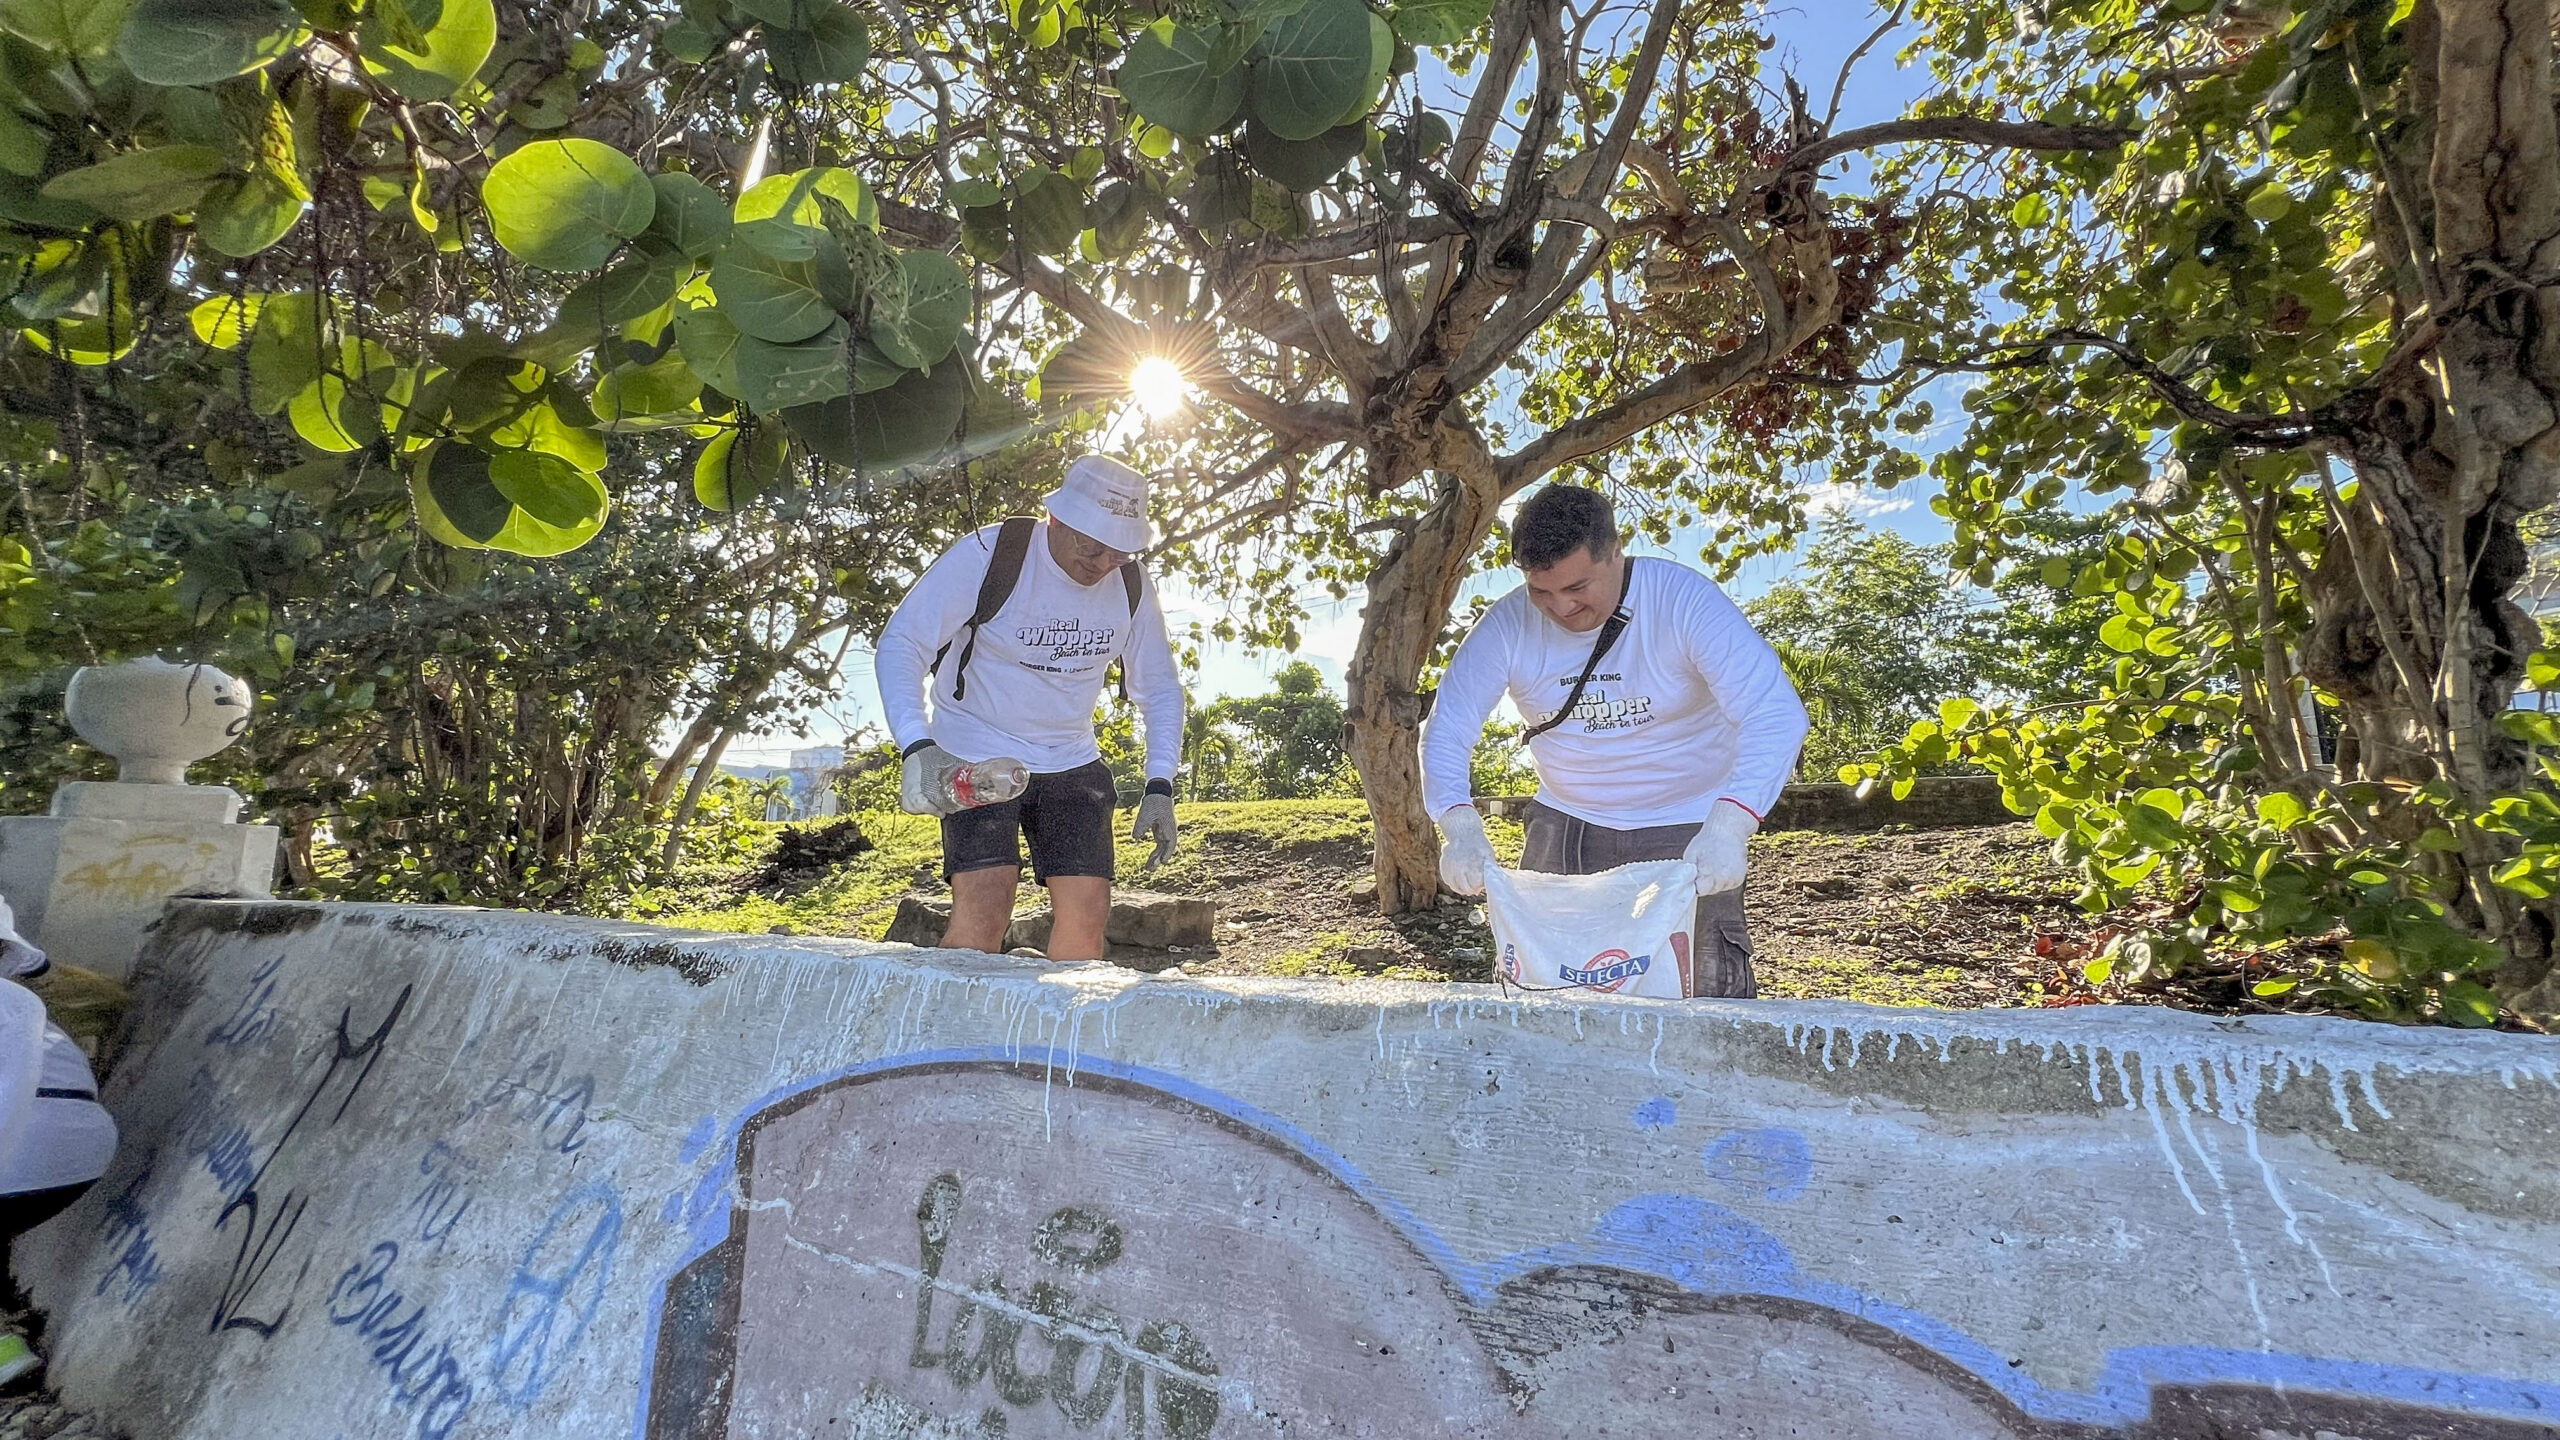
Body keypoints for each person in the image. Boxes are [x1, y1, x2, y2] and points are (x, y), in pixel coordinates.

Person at [1419, 484, 1809, 998]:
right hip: (1566, 823)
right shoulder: (1507, 624)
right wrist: (1459, 827)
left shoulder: (1682, 599)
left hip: (1690, 826)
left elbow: (1774, 713)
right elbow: (1445, 731)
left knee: (1704, 993)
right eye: (1542, 591)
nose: (1560, 607)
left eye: (1578, 586)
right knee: (1548, 991)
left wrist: (1731, 824)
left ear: (1616, 553)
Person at [876, 455, 1187, 962]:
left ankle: (1059, 1036)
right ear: (1058, 519)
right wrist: (918, 747)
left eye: (1120, 553)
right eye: (1093, 546)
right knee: (984, 910)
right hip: (976, 751)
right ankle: (957, 1032)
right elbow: (901, 643)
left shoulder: (1130, 584)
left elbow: (1160, 687)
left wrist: (1160, 784)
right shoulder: (992, 554)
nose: (1104, 562)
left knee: (1087, 918)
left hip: (1070, 757)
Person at [0, 896, 116, 1387]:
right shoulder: (17, 1003)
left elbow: (11, 1098)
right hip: (62, 1148)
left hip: (34, 1144)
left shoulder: (14, 1006)